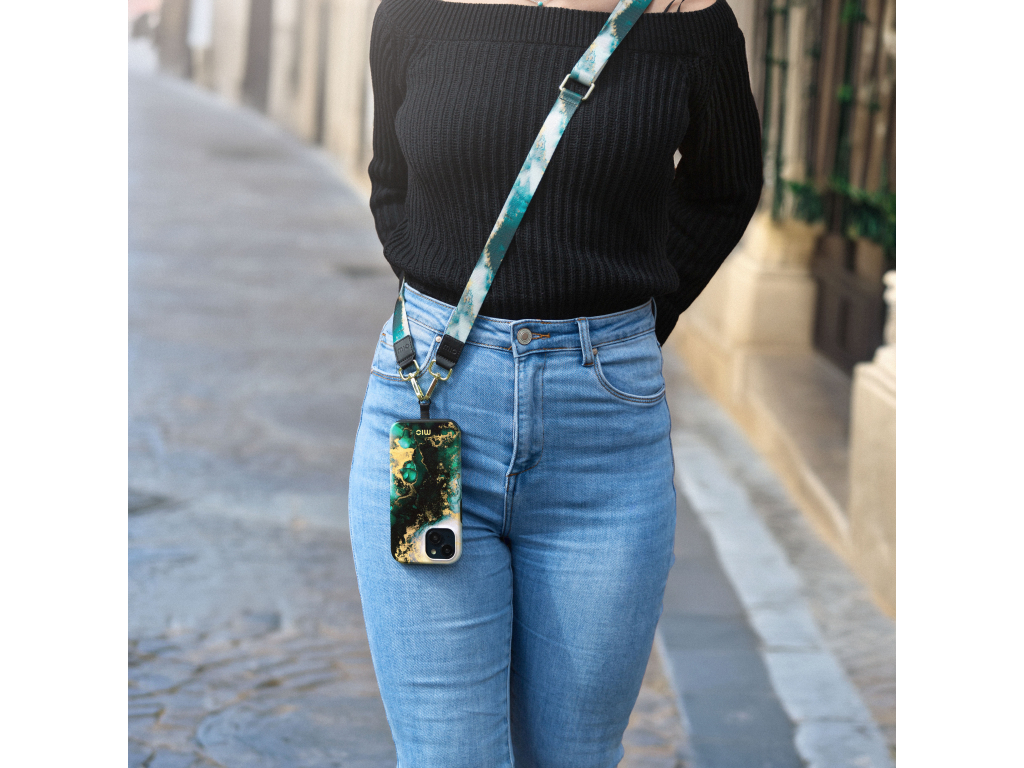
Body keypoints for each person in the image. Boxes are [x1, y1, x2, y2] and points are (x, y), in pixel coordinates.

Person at [348, 0, 763, 764]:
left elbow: (725, 188)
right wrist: (444, 318)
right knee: (446, 756)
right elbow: (391, 185)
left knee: (573, 756)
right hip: (432, 413)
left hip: (604, 443)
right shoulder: (413, 11)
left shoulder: (686, 17)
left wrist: (626, 326)